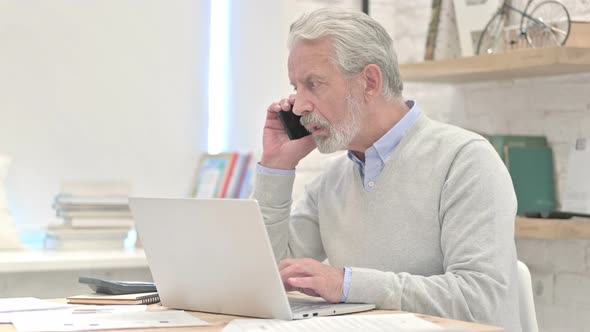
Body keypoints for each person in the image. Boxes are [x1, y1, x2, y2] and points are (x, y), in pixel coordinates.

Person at [251, 7, 521, 331]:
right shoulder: (333, 181)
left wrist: (348, 284)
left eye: (314, 84)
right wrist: (277, 166)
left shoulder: (465, 161)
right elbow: (267, 275)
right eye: (296, 87)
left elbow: (478, 301)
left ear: (369, 81)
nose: (298, 105)